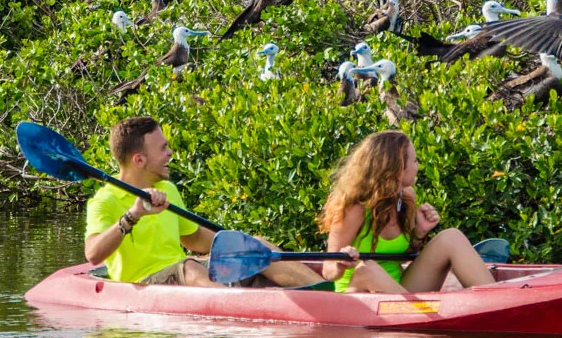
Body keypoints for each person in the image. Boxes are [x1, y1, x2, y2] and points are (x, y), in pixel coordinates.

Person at [85, 115, 315, 287]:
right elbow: (93, 254)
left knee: (256, 247)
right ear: (139, 160)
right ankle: (237, 312)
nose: (170, 152)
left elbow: (194, 238)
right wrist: (133, 215)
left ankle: (327, 294)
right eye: (163, 148)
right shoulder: (105, 201)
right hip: (143, 283)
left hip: (181, 273)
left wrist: (241, 244)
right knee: (189, 267)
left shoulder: (167, 189)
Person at [318, 130, 496, 293]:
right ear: (396, 168)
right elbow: (328, 270)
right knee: (368, 269)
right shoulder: (354, 209)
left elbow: (403, 257)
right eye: (415, 160)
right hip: (356, 296)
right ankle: (422, 311)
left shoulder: (406, 197)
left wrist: (419, 233)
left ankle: (496, 300)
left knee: (452, 237)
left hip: (398, 290)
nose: (418, 165)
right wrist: (340, 264)